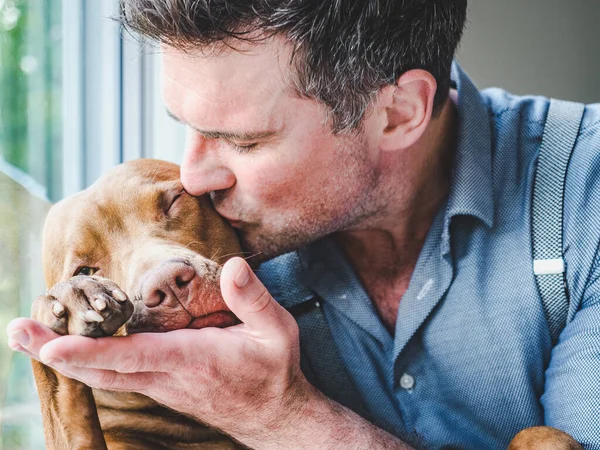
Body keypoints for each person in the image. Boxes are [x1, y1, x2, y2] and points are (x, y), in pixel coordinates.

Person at [6, 1, 600, 448]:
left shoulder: (582, 197)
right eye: (184, 126)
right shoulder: (212, 246)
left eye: (244, 140)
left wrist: (280, 418)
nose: (194, 175)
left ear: (397, 113)